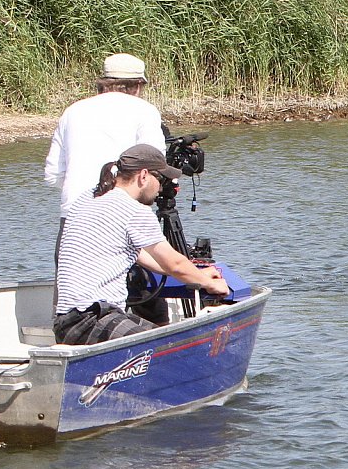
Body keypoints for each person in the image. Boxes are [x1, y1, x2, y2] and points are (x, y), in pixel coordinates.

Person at [54, 144, 229, 346]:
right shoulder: (133, 210)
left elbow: (144, 257)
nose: (161, 188)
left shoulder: (90, 197)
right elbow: (175, 264)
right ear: (144, 176)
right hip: (93, 320)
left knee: (166, 338)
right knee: (168, 349)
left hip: (68, 323)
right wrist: (211, 284)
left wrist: (200, 275)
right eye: (160, 179)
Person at [44, 53, 166, 215]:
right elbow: (155, 163)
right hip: (123, 212)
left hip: (74, 212)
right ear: (137, 84)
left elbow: (53, 174)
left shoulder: (73, 111)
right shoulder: (144, 110)